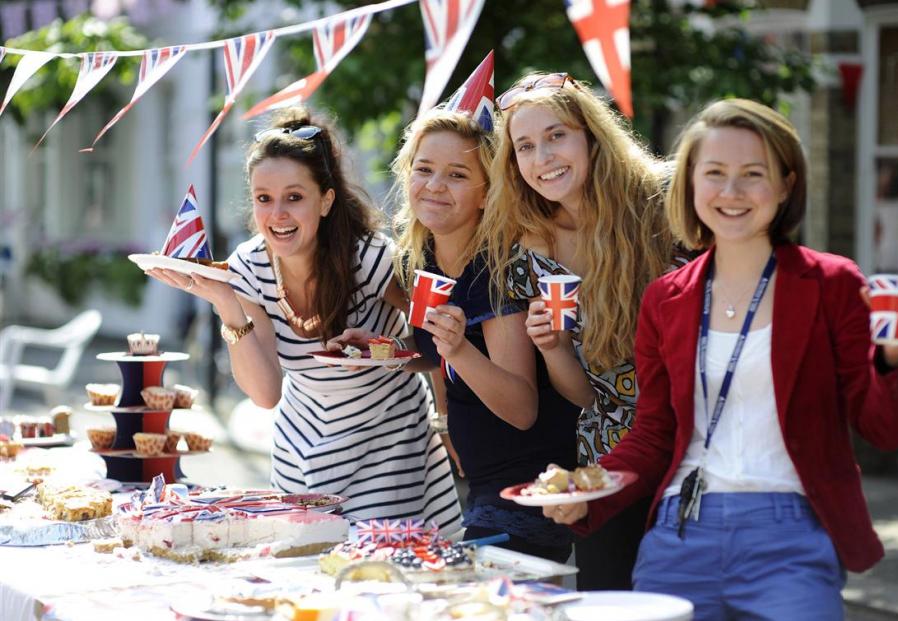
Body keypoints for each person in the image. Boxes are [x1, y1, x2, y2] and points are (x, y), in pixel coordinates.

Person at [544, 98, 898, 619]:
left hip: (791, 534)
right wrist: (587, 491)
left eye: (753, 174)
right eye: (715, 173)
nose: (731, 192)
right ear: (690, 184)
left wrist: (894, 358)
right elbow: (653, 434)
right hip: (681, 533)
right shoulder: (666, 298)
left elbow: (883, 428)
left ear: (787, 184)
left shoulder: (832, 284)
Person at [146, 107, 462, 530]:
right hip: (303, 443)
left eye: (294, 198)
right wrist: (224, 300)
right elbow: (264, 393)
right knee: (308, 574)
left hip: (387, 442)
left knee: (374, 570)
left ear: (326, 200)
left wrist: (442, 419)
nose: (278, 214)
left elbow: (437, 343)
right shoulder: (250, 266)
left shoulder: (370, 258)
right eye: (264, 199)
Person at [480, 72, 679, 588]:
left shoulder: (662, 207)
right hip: (605, 462)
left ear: (591, 135)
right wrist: (555, 349)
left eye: (556, 136)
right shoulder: (532, 255)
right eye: (524, 146)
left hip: (692, 450)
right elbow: (590, 398)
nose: (542, 157)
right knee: (609, 601)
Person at [382, 93, 578, 560]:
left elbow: (522, 407)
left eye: (457, 174)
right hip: (481, 484)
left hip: (528, 492)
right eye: (424, 168)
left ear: (487, 191)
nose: (434, 185)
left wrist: (458, 353)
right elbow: (433, 348)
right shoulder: (426, 257)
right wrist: (387, 353)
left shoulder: (494, 271)